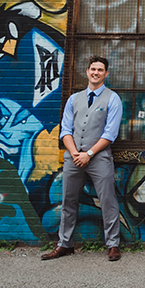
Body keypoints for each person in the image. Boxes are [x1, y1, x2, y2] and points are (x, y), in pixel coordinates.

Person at [43, 56, 123, 262]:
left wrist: (89, 154)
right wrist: (75, 153)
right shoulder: (73, 99)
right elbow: (65, 130)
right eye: (93, 69)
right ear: (87, 72)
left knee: (107, 200)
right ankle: (64, 244)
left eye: (100, 70)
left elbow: (110, 133)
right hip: (73, 157)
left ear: (106, 74)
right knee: (68, 200)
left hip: (99, 158)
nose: (96, 72)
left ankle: (113, 244)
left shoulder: (112, 98)